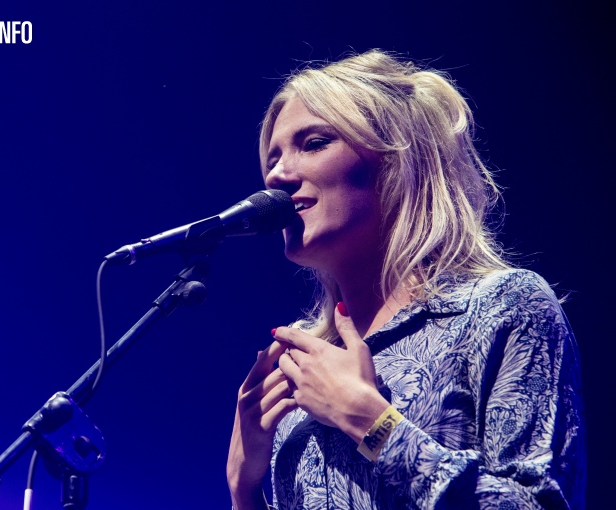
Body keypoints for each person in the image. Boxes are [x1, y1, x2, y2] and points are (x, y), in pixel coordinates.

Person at [226, 50, 585, 510]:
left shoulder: (503, 308)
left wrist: (371, 423)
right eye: (272, 158)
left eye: (313, 143)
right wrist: (243, 489)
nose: (276, 175)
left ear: (395, 161)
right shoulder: (301, 364)